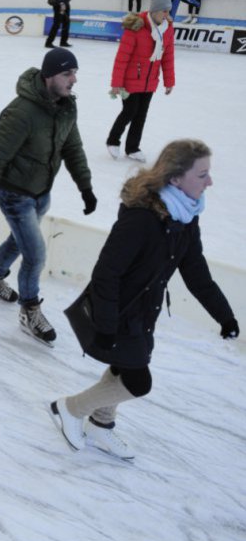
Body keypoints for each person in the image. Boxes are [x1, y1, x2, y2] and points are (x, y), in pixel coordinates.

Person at [51, 139, 238, 460]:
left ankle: (101, 424)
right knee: (138, 382)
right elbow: (106, 274)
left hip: (144, 312)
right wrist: (106, 325)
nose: (210, 182)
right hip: (119, 311)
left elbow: (197, 273)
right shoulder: (141, 219)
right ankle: (69, 408)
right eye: (202, 174)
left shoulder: (185, 218)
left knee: (124, 369)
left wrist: (224, 316)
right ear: (175, 178)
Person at [0, 48, 95, 345]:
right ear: (49, 75)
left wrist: (85, 187)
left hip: (41, 192)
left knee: (19, 242)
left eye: (75, 73)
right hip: (15, 195)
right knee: (35, 254)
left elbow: (72, 148)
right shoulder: (20, 112)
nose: (74, 79)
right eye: (67, 73)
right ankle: (30, 310)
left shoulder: (66, 106)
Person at [105, 0, 175, 163]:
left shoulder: (167, 29)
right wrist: (116, 83)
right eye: (164, 11)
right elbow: (122, 58)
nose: (167, 15)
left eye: (168, 11)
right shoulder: (136, 27)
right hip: (130, 80)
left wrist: (169, 81)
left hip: (150, 81)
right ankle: (113, 141)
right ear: (155, 11)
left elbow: (168, 57)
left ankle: (132, 148)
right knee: (130, 111)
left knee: (141, 115)